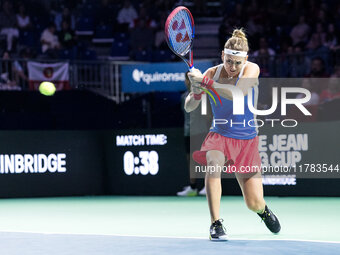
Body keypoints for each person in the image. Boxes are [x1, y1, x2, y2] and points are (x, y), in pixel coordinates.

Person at [185, 28, 281, 241]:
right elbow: (190, 106)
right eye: (229, 61)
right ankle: (215, 224)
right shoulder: (211, 73)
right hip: (219, 134)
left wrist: (206, 83)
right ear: (222, 56)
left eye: (237, 63)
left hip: (247, 140)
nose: (233, 67)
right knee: (212, 163)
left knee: (253, 202)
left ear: (245, 59)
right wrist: (197, 89)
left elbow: (239, 94)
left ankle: (263, 211)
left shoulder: (252, 69)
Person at [177, 72, 206, 197]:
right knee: (191, 161)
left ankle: (207, 186)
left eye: (190, 78)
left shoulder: (203, 95)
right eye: (187, 79)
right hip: (188, 132)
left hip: (202, 131)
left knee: (206, 160)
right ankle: (193, 187)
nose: (188, 81)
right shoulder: (184, 96)